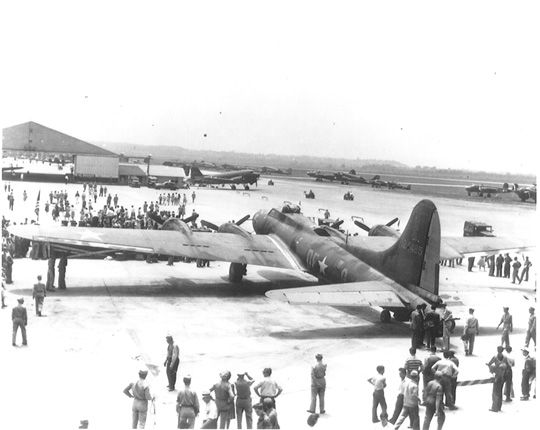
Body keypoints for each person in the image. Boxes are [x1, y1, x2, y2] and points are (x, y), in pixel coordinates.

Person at [486, 346, 508, 412]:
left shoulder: (495, 357)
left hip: (497, 377)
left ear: (497, 350)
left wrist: (492, 368)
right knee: (500, 392)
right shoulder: (505, 358)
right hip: (503, 377)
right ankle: (499, 407)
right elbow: (506, 366)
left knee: (495, 393)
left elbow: (489, 364)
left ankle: (494, 408)